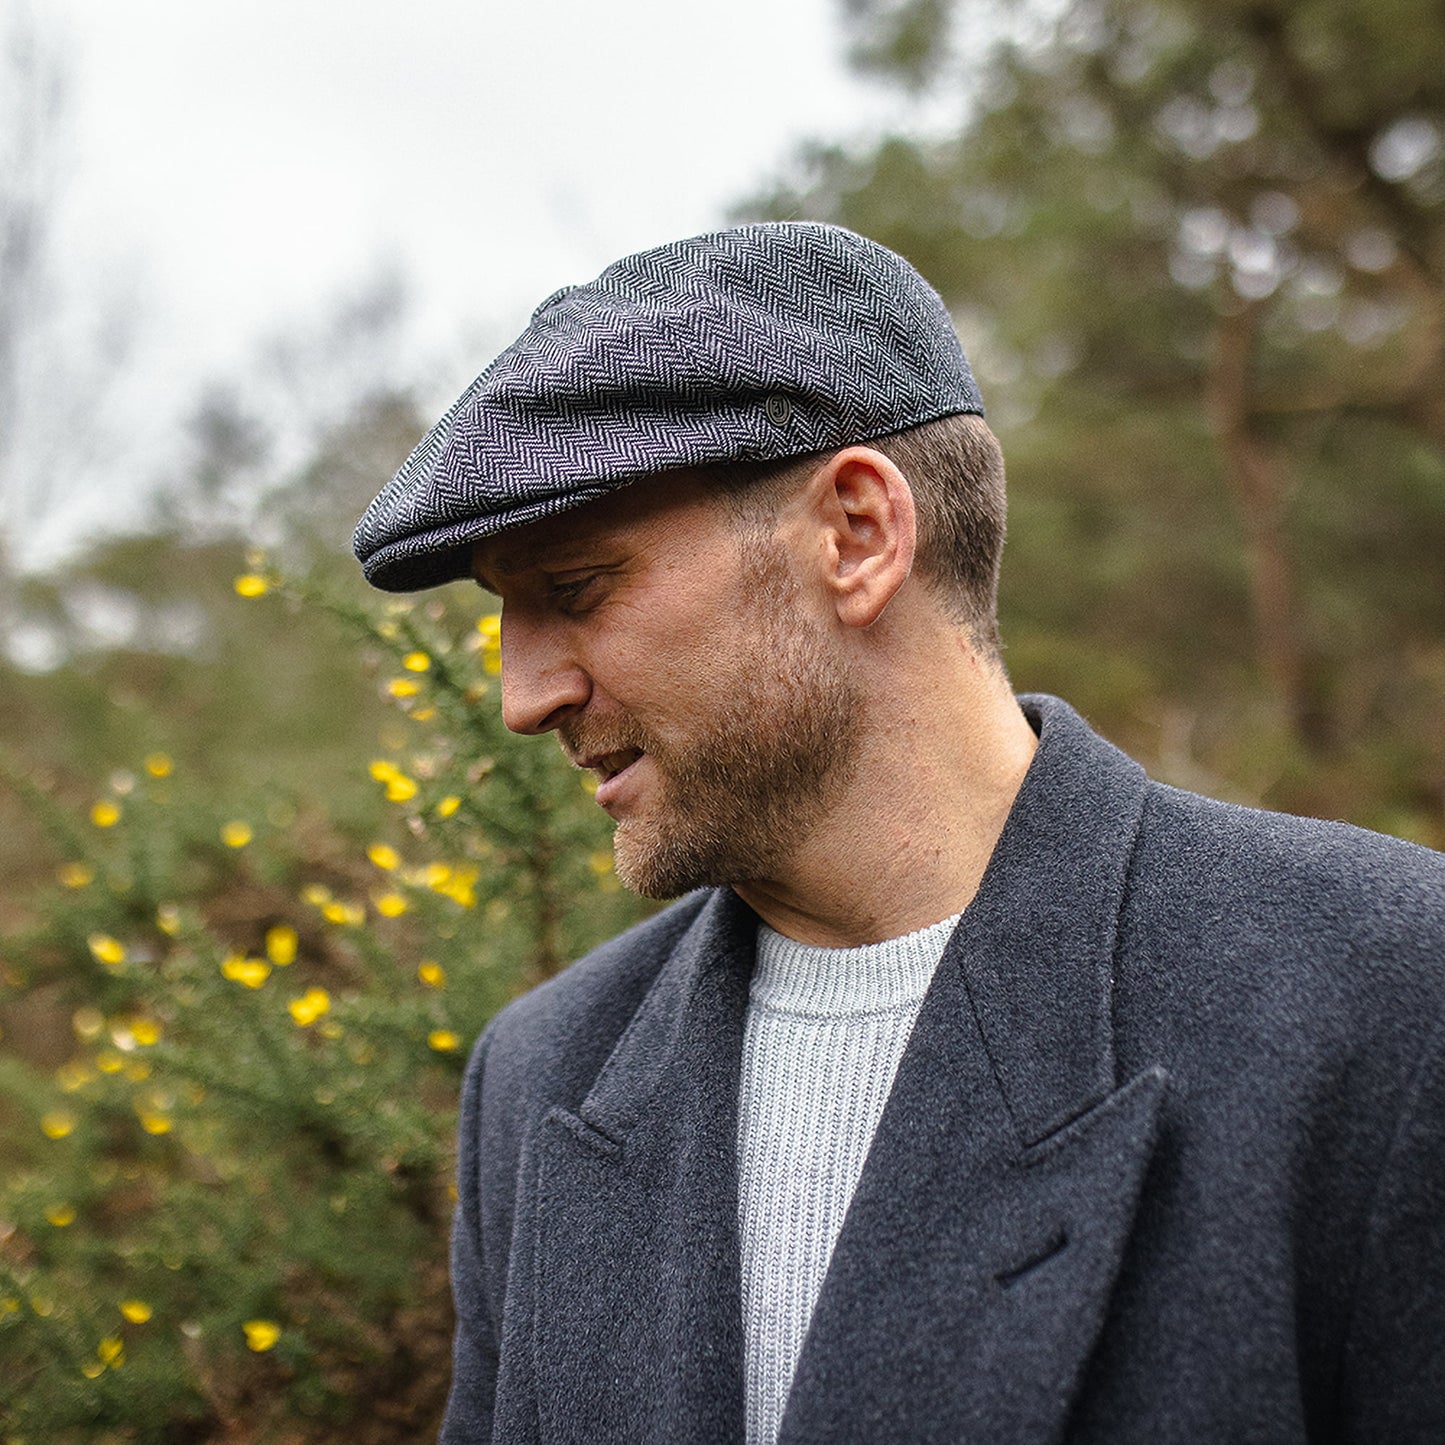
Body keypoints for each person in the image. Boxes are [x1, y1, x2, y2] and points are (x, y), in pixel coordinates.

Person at [354, 223, 1445, 1444]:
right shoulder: (543, 1074)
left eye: (575, 589)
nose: (521, 696)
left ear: (858, 533)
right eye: (505, 614)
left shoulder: (1388, 990)